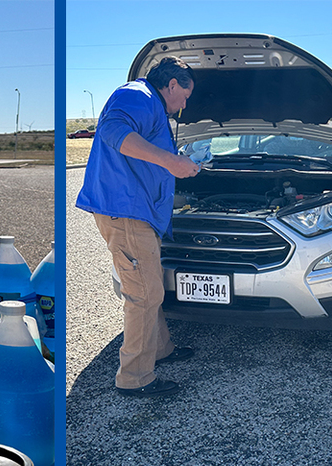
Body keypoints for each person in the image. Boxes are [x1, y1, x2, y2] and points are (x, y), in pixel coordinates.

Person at [75, 56, 201, 397]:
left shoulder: (150, 103)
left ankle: (161, 350)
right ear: (172, 84)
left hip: (136, 211)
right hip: (127, 212)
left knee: (150, 286)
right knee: (143, 295)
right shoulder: (138, 95)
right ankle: (134, 378)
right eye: (185, 96)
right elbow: (114, 131)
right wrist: (172, 162)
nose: (185, 105)